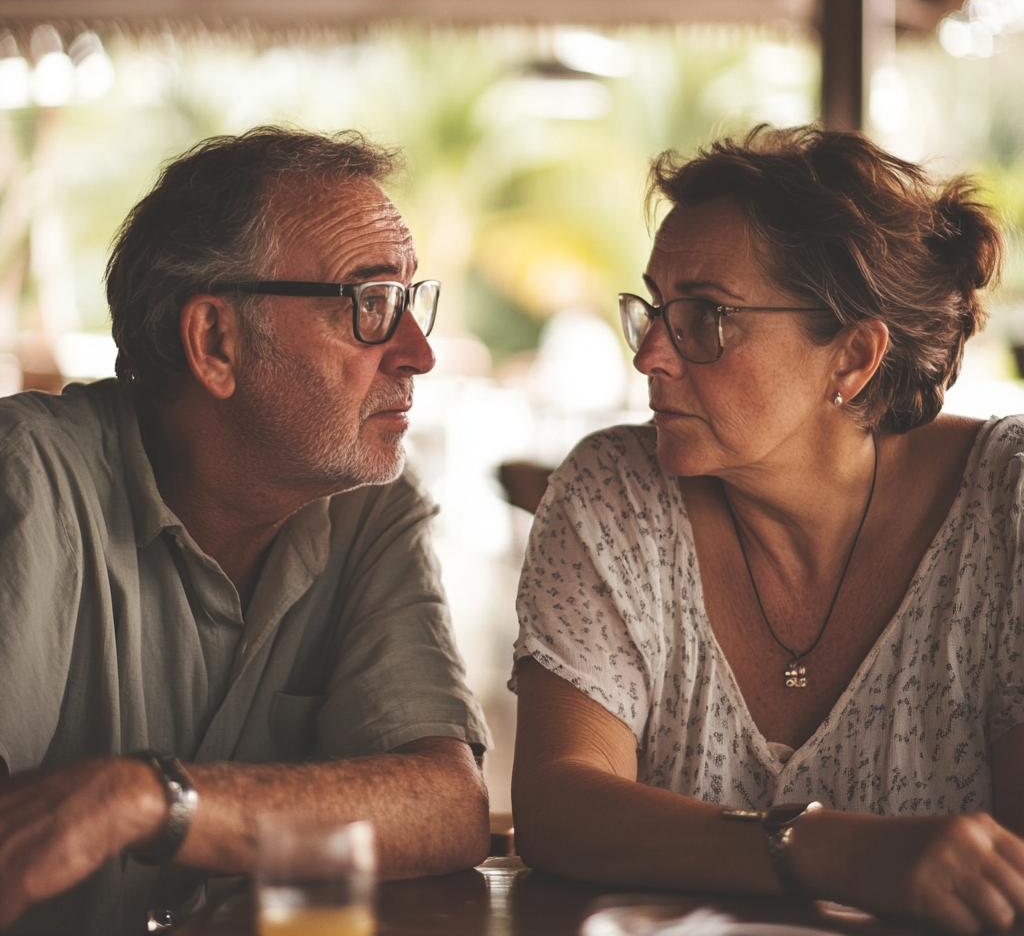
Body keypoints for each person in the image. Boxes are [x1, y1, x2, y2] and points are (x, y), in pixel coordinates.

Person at [510, 125, 1024, 935]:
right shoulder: (617, 493)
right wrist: (827, 851)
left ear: (852, 357)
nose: (649, 355)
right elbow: (558, 806)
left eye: (706, 316)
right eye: (653, 308)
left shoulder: (1008, 510)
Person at [0, 127, 491, 935]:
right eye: (371, 306)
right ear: (215, 342)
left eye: (410, 299)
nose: (418, 352)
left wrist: (143, 797)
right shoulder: (30, 477)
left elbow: (446, 807)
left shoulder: (372, 507)